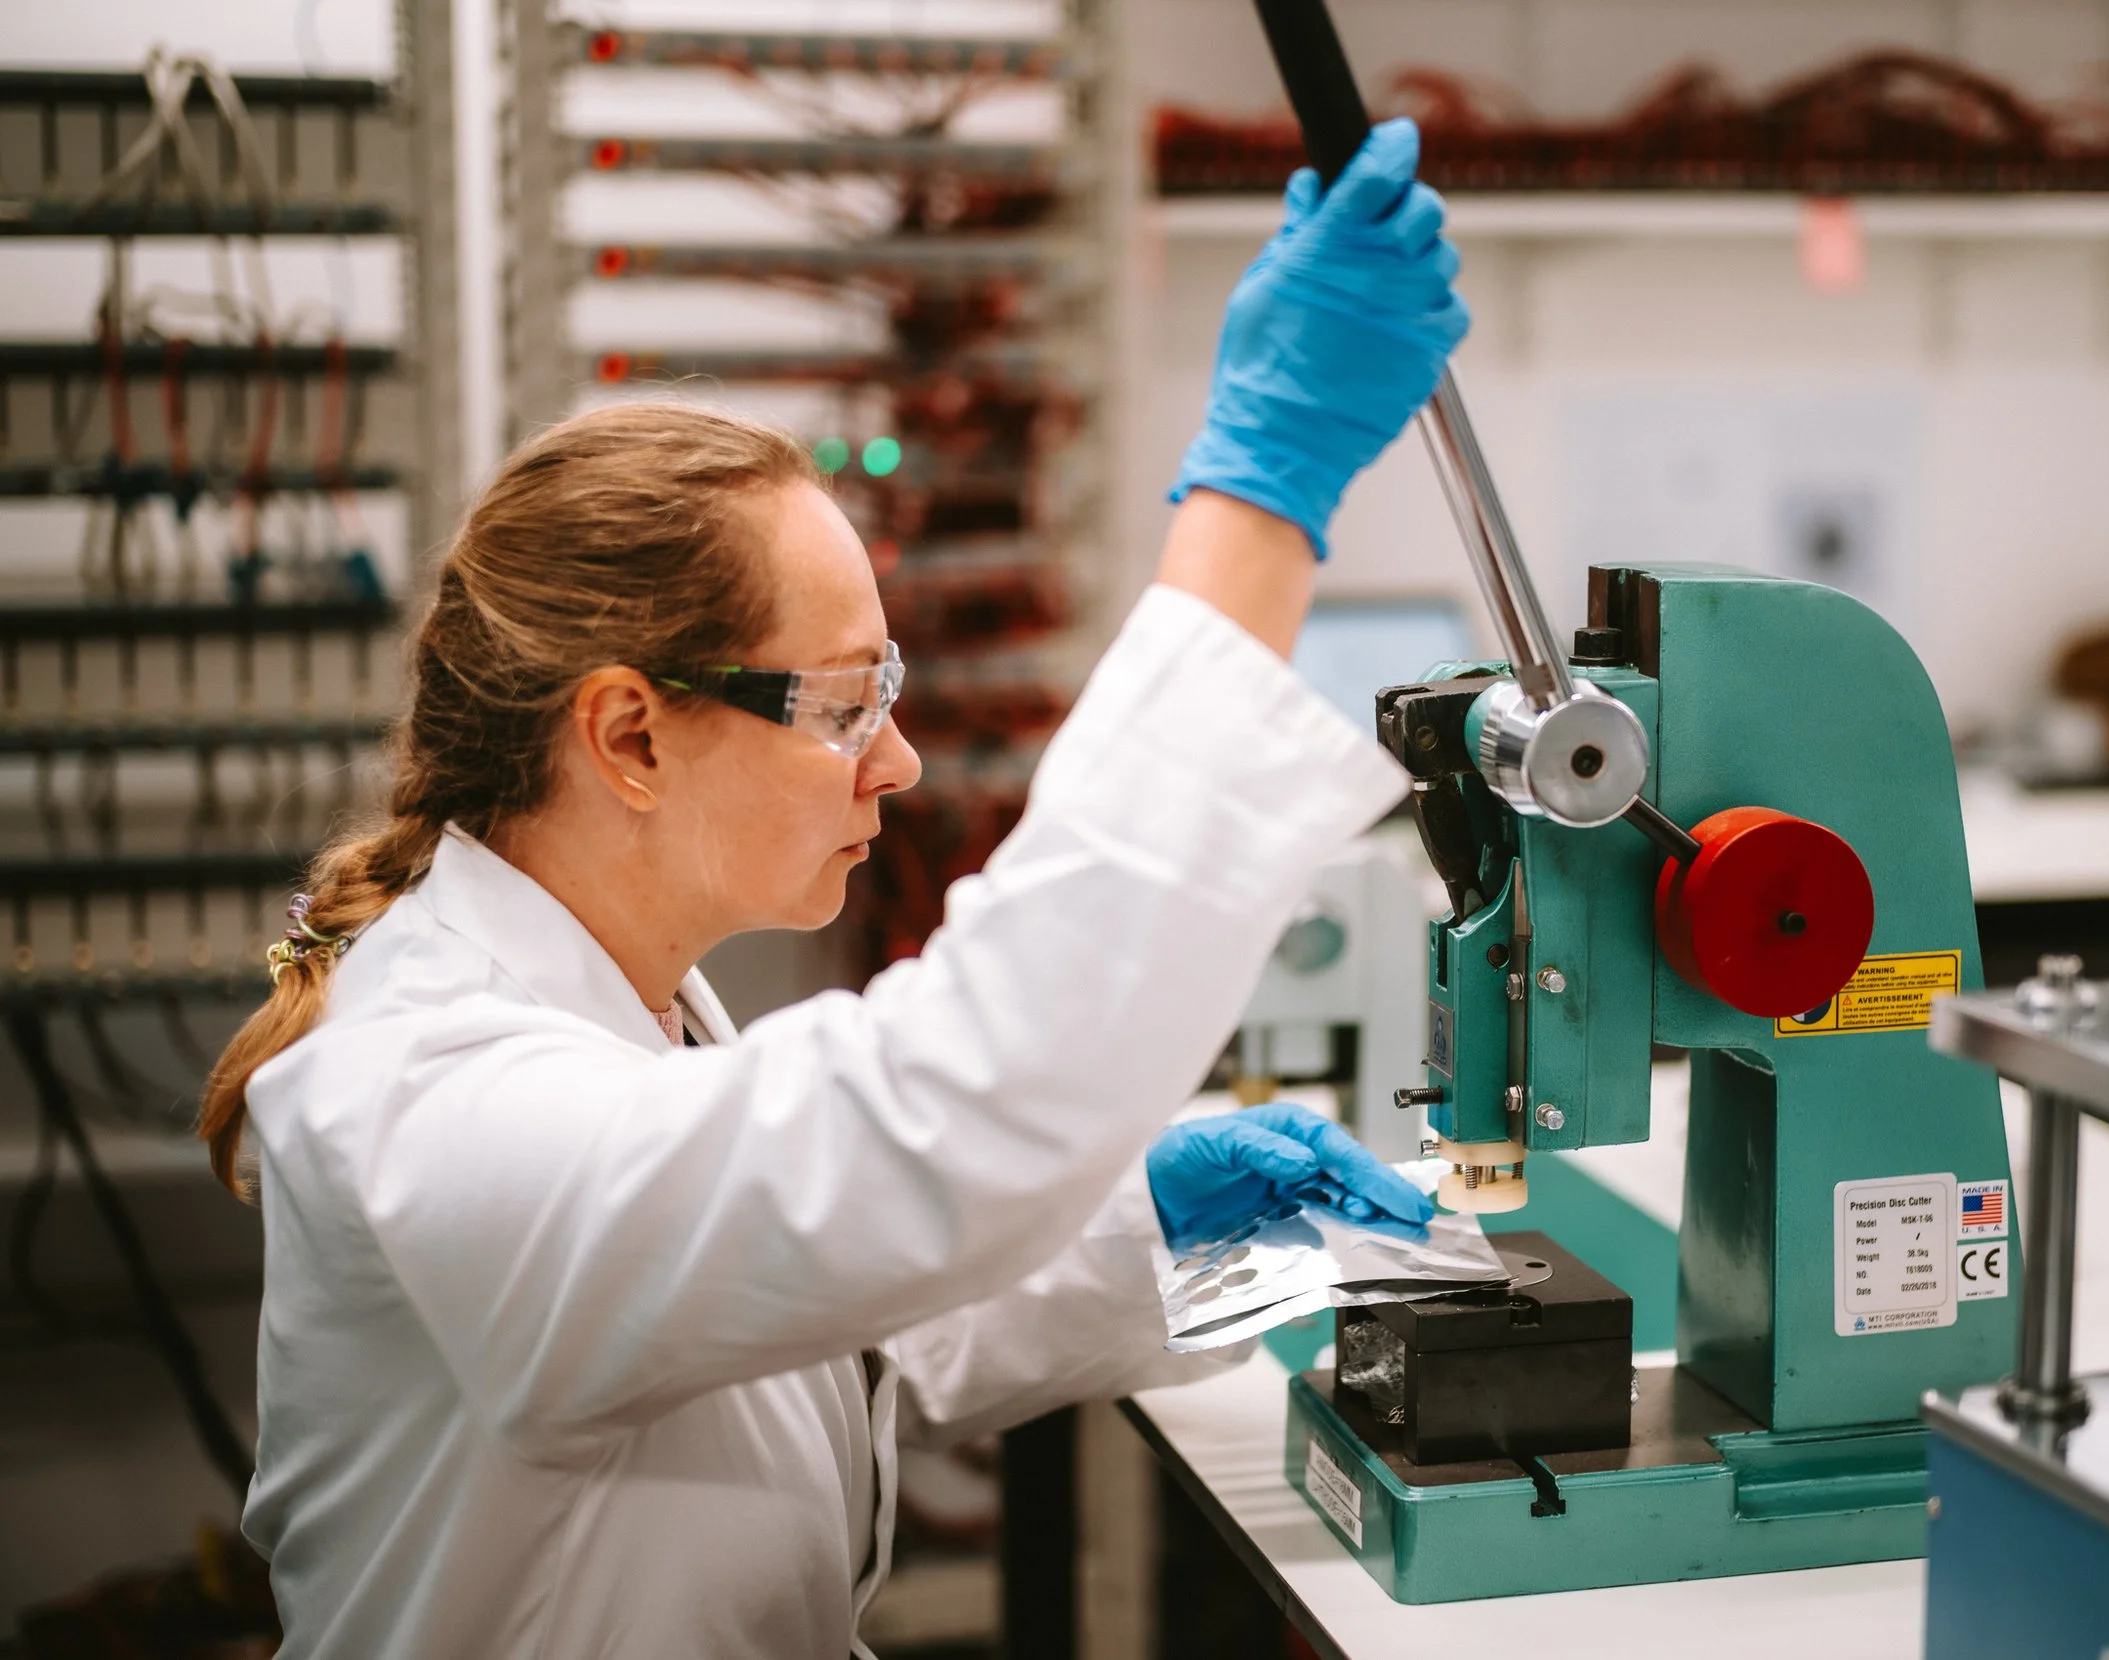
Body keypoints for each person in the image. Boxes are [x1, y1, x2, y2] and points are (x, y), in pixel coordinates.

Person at [199, 120, 1468, 1658]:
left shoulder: (641, 1017)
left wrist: (1156, 1226)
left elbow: (822, 1336)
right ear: (629, 736)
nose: (903, 764)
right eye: (845, 702)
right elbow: (911, 1127)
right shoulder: (428, 1092)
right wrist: (1262, 498)